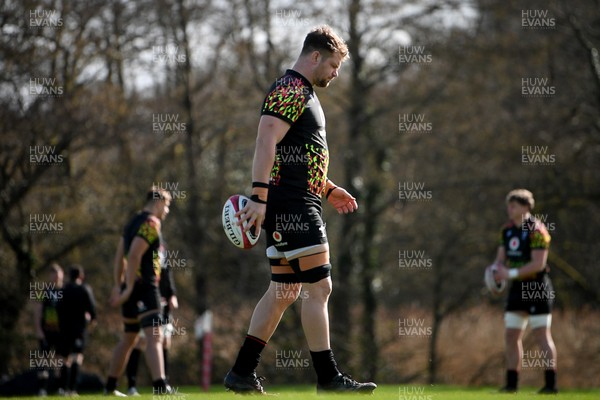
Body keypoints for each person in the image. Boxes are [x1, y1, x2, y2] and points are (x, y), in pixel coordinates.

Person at [224, 25, 377, 394]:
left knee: (285, 290)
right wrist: (258, 197)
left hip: (296, 199)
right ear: (314, 57)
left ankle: (242, 372)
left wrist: (326, 187)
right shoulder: (290, 89)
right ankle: (328, 378)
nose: (336, 74)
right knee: (319, 287)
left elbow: (296, 155)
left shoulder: (302, 92)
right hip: (290, 205)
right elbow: (266, 140)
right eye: (334, 65)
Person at [104, 187, 172, 396]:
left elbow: (119, 257)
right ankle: (160, 386)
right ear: (158, 202)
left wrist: (119, 285)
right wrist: (131, 287)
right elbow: (133, 255)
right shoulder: (152, 223)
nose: (167, 210)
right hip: (144, 288)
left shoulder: (132, 222)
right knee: (155, 337)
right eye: (167, 205)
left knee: (129, 338)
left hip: (131, 288)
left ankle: (110, 387)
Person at [491, 189, 558, 394]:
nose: (510, 209)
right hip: (517, 289)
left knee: (541, 336)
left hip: (536, 287)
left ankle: (550, 384)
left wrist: (508, 273)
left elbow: (538, 264)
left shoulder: (537, 231)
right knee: (511, 335)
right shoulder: (506, 231)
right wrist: (495, 277)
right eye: (509, 205)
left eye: (514, 205)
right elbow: (500, 260)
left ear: (526, 207)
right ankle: (511, 384)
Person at [125, 256, 178, 396]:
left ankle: (163, 383)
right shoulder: (142, 250)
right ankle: (131, 385)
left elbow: (168, 276)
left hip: (163, 308)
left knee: (165, 342)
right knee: (139, 342)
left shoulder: (162, 253)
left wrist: (172, 295)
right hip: (148, 304)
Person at [57, 265, 97, 396]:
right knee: (77, 357)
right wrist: (92, 321)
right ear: (81, 276)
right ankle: (72, 389)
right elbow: (92, 309)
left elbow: (57, 309)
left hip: (63, 330)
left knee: (64, 358)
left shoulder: (63, 290)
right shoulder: (85, 289)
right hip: (79, 330)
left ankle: (62, 388)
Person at [33, 263, 65, 396]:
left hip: (60, 331)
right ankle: (42, 389)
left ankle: (59, 388)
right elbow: (38, 311)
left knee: (59, 360)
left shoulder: (65, 290)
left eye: (58, 274)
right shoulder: (43, 290)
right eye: (53, 274)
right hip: (47, 330)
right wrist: (39, 330)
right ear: (50, 276)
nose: (56, 277)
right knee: (44, 360)